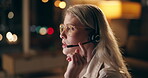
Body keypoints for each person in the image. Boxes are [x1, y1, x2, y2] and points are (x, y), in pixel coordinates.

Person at [59, 4, 131, 78]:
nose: (62, 35)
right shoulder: (77, 66)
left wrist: (69, 76)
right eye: (63, 27)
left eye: (71, 28)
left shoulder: (107, 75)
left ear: (94, 36)